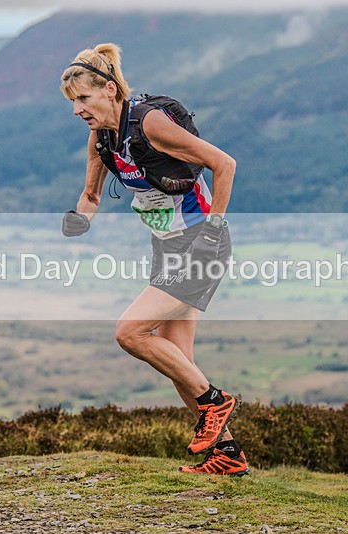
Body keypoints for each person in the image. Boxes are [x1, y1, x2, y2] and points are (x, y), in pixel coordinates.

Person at [59, 43, 248, 476]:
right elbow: (90, 197)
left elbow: (224, 164)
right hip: (167, 248)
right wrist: (78, 221)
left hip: (203, 242)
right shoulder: (103, 138)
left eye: (83, 99)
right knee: (180, 363)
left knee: (130, 332)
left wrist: (215, 227)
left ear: (109, 89)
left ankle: (216, 402)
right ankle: (228, 456)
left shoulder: (151, 123)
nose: (77, 110)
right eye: (72, 103)